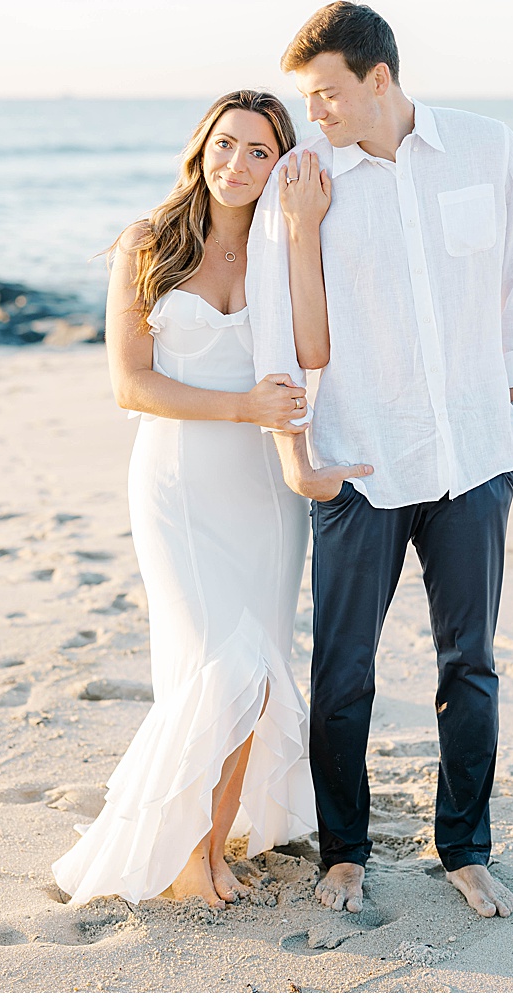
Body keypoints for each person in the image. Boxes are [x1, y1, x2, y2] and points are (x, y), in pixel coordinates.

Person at [246, 1, 513, 922]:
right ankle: (344, 852)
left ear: (379, 77)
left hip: (474, 456)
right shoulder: (302, 183)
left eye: (328, 94)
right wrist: (300, 455)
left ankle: (464, 846)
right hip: (361, 461)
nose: (317, 114)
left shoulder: (486, 148)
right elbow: (281, 334)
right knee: (344, 671)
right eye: (309, 98)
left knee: (473, 664)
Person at [53, 89, 364, 908]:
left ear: (282, 164)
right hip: (180, 484)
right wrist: (240, 406)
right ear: (201, 148)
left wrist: (301, 231)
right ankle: (189, 850)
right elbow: (131, 382)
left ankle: (210, 847)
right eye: (226, 145)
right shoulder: (148, 242)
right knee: (216, 664)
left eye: (259, 152)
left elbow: (314, 345)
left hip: (266, 488)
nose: (237, 165)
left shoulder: (282, 241)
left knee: (256, 676)